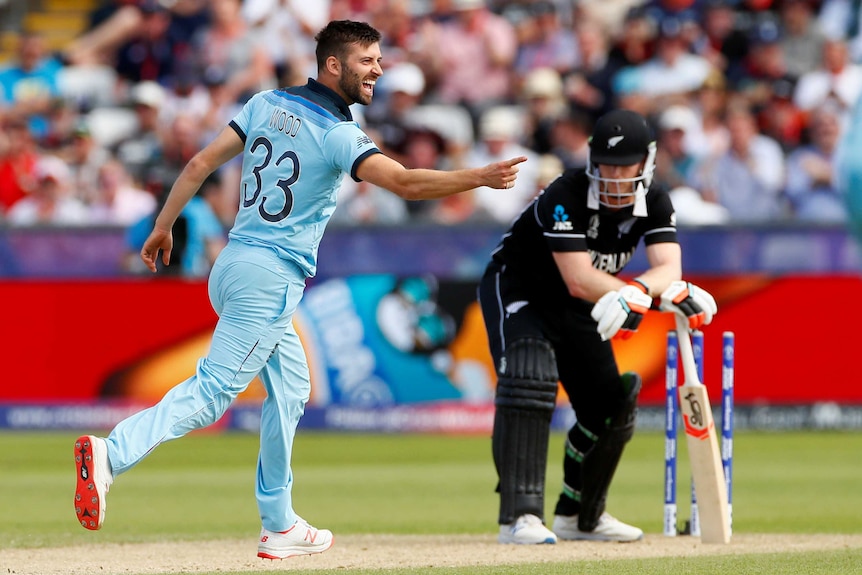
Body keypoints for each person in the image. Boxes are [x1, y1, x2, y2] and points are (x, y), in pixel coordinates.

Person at [72, 19, 525, 560]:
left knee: (290, 389)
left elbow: (197, 163)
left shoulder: (265, 102)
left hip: (233, 264)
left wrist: (163, 225)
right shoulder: (339, 133)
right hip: (270, 278)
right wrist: (476, 176)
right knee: (214, 392)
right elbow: (403, 182)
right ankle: (110, 453)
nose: (378, 68)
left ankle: (280, 522)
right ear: (333, 65)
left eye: (380, 59)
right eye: (367, 60)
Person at [477, 109, 717, 545]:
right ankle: (520, 516)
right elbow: (579, 278)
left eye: (626, 165)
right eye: (607, 165)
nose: (615, 175)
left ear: (646, 162)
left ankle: (580, 516)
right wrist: (642, 294)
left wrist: (647, 290)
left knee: (611, 405)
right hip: (521, 290)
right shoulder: (565, 193)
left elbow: (669, 267)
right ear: (591, 160)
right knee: (530, 378)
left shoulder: (658, 199)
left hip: (584, 304)